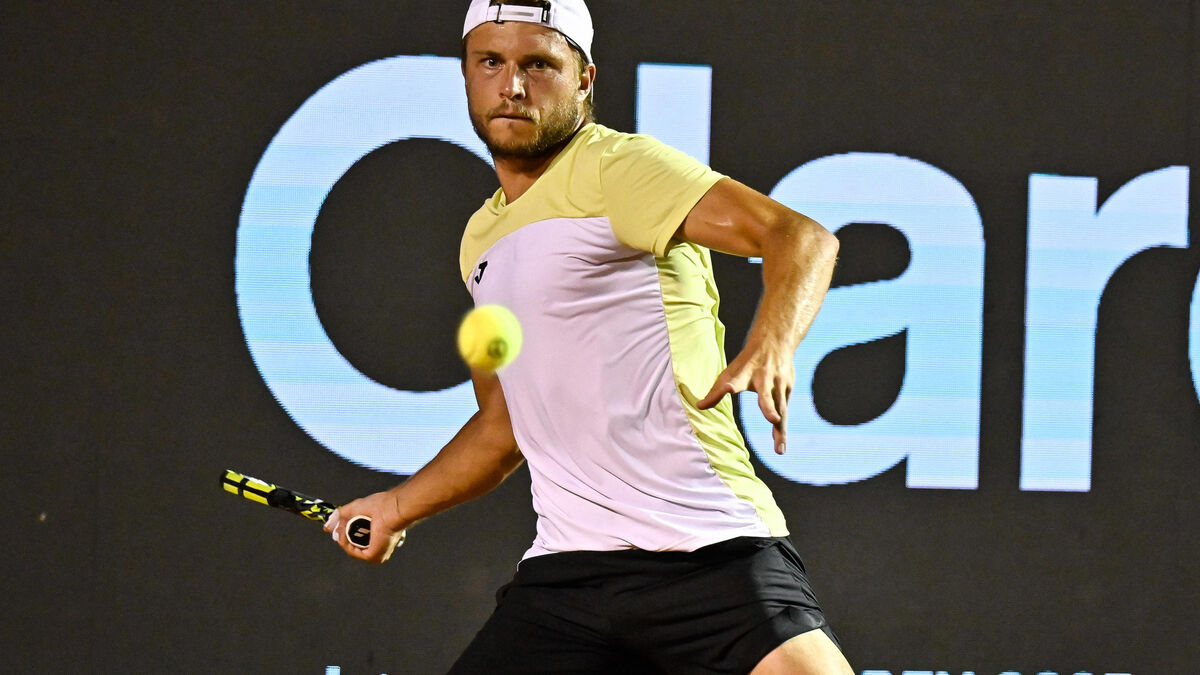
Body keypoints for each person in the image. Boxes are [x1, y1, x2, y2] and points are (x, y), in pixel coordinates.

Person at [325, 1, 850, 673]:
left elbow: (799, 237)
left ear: (584, 79)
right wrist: (396, 507)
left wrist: (773, 340)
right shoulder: (478, 241)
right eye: (492, 62)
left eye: (538, 64)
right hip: (567, 577)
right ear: (466, 76)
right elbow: (501, 425)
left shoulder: (619, 169)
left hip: (708, 549)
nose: (512, 86)